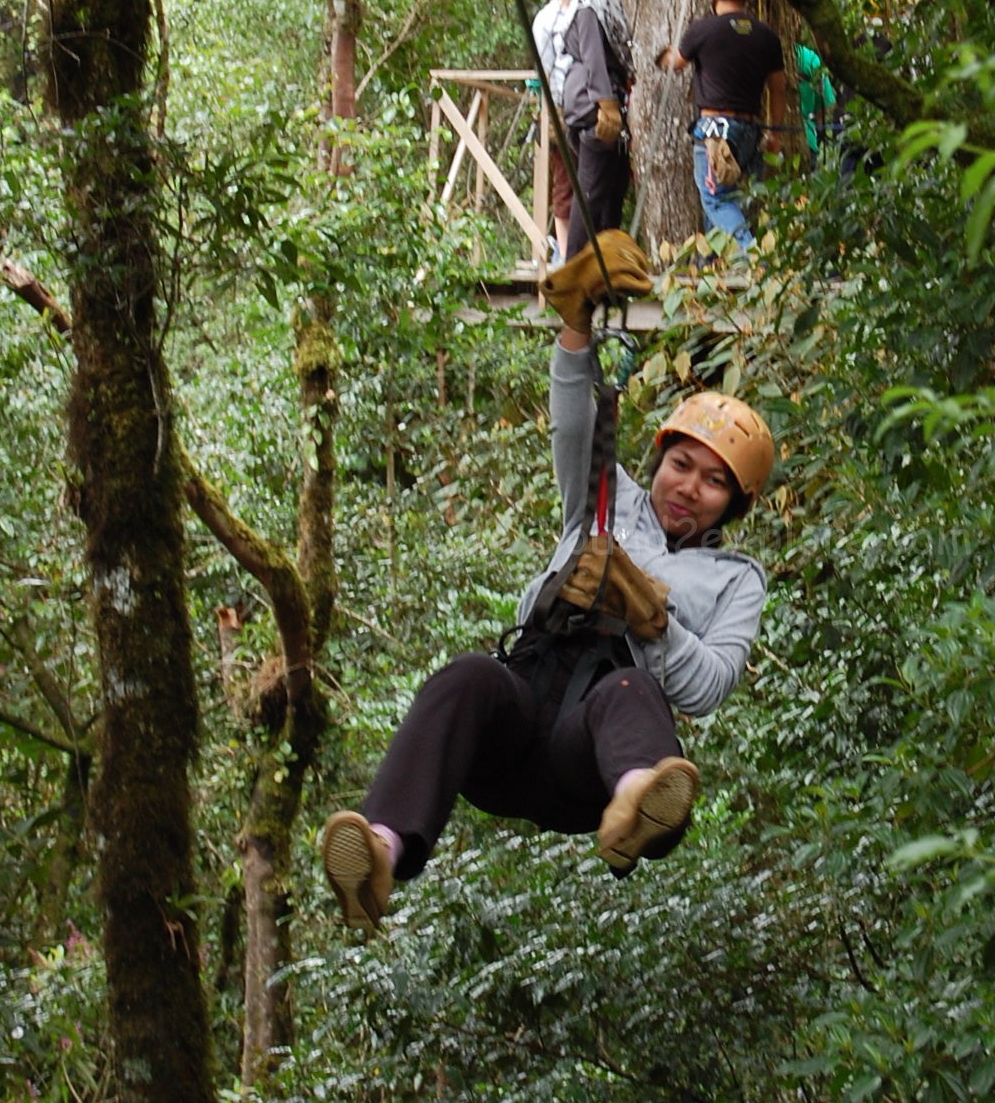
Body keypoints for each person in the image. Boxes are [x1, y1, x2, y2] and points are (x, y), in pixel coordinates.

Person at [320, 231, 774, 930]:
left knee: (630, 686)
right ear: (658, 463)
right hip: (518, 716)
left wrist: (656, 621)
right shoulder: (605, 498)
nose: (690, 488)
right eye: (682, 464)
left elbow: (710, 685)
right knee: (468, 674)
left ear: (734, 504)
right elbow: (573, 419)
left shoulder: (735, 578)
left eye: (716, 483)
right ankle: (380, 852)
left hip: (587, 758)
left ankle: (638, 804)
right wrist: (575, 322)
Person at [657, 0, 787, 252]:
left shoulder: (702, 31)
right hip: (751, 130)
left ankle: (752, 254)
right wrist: (775, 133)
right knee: (738, 199)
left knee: (715, 199)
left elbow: (675, 64)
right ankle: (716, 264)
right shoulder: (766, 36)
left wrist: (663, 55)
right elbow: (778, 89)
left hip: (716, 131)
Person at [558, 0, 645, 256]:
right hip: (593, 102)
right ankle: (574, 278)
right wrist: (606, 105)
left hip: (605, 99)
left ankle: (603, 274)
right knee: (592, 193)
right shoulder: (591, 0)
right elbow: (593, 55)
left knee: (612, 193)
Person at [532, 0, 590, 262]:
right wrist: (546, 112)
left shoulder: (593, 8)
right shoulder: (547, 18)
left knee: (593, 180)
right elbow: (542, 65)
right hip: (561, 108)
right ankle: (566, 254)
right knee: (565, 182)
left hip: (593, 106)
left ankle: (588, 253)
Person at [793, 40, 836, 166]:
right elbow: (826, 104)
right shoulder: (809, 58)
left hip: (765, 140)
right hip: (806, 138)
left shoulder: (758, 52)